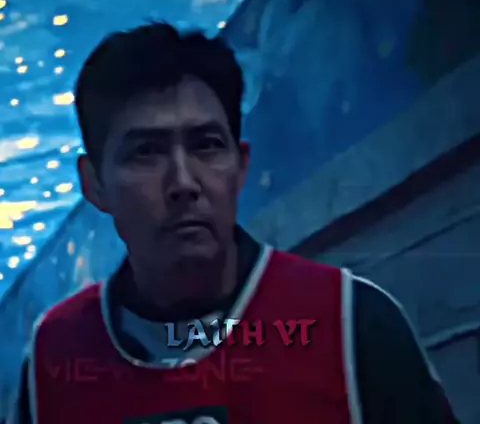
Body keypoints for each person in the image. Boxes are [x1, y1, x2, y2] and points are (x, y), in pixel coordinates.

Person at [13, 22, 460, 424]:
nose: (183, 182)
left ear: (241, 166)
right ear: (94, 184)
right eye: (146, 152)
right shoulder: (55, 356)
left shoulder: (352, 323)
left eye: (206, 145)